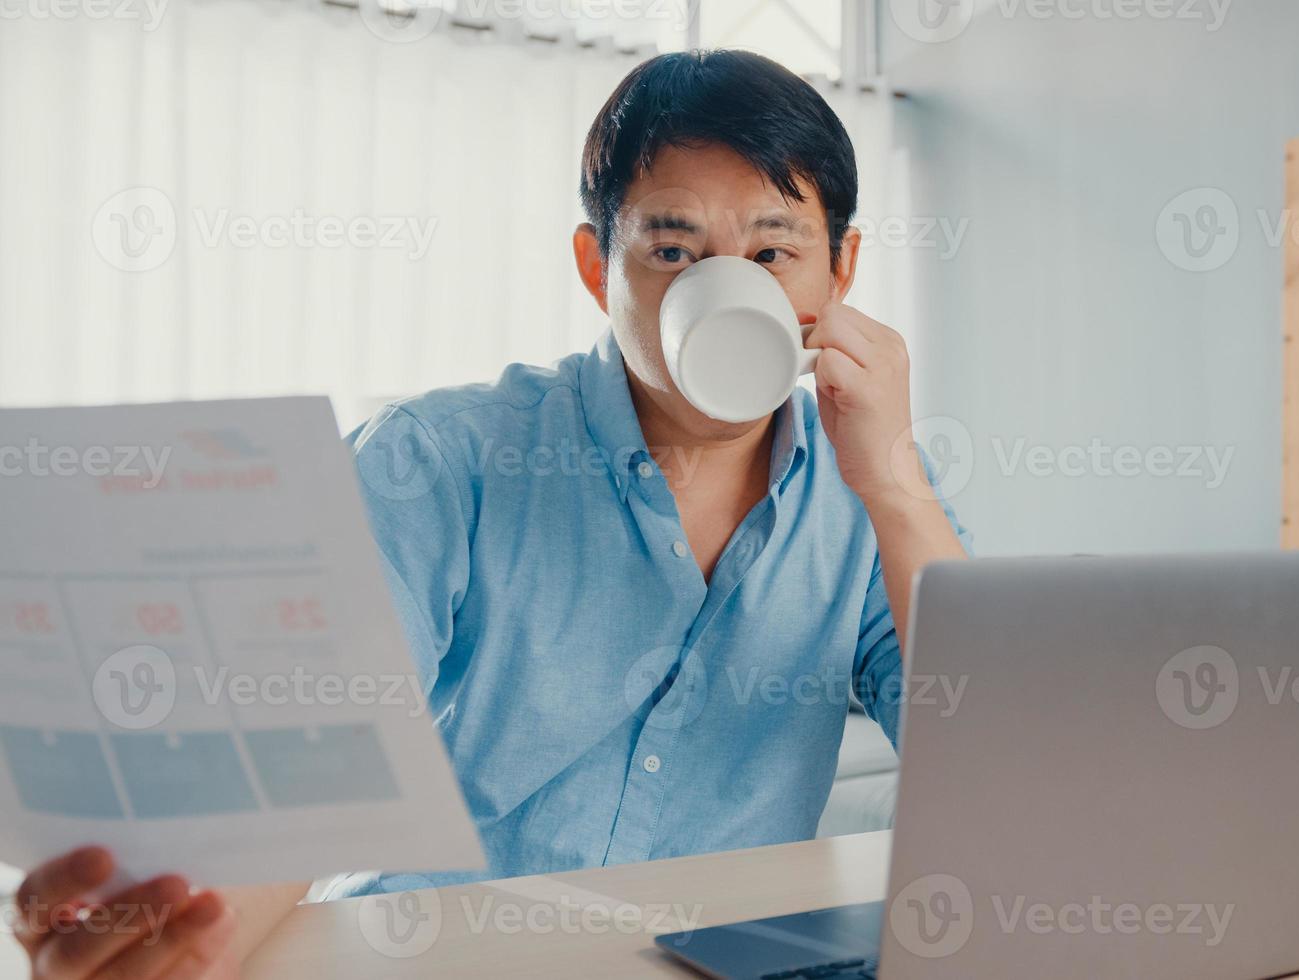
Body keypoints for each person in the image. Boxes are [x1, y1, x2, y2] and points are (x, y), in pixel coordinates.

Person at [12, 49, 968, 978]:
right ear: (598, 269)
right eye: (672, 250)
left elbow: (973, 750)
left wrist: (891, 482)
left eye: (773, 253)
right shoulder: (442, 459)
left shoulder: (872, 485)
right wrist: (190, 938)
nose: (728, 289)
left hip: (729, 962)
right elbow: (316, 757)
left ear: (839, 272)